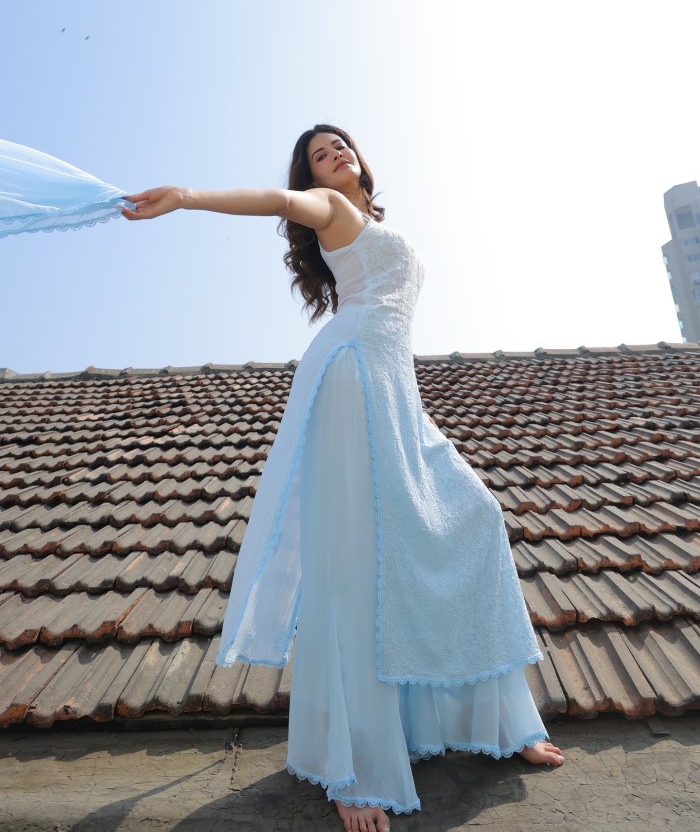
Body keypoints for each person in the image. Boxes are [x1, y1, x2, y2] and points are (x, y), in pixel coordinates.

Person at [123, 124, 563, 832]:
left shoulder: (375, 222)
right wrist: (186, 196)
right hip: (352, 378)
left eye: (339, 146)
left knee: (475, 517)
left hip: (396, 390)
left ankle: (501, 721)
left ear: (361, 157)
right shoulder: (333, 210)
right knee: (356, 566)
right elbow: (274, 198)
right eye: (318, 156)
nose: (333, 156)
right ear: (315, 179)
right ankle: (353, 766)